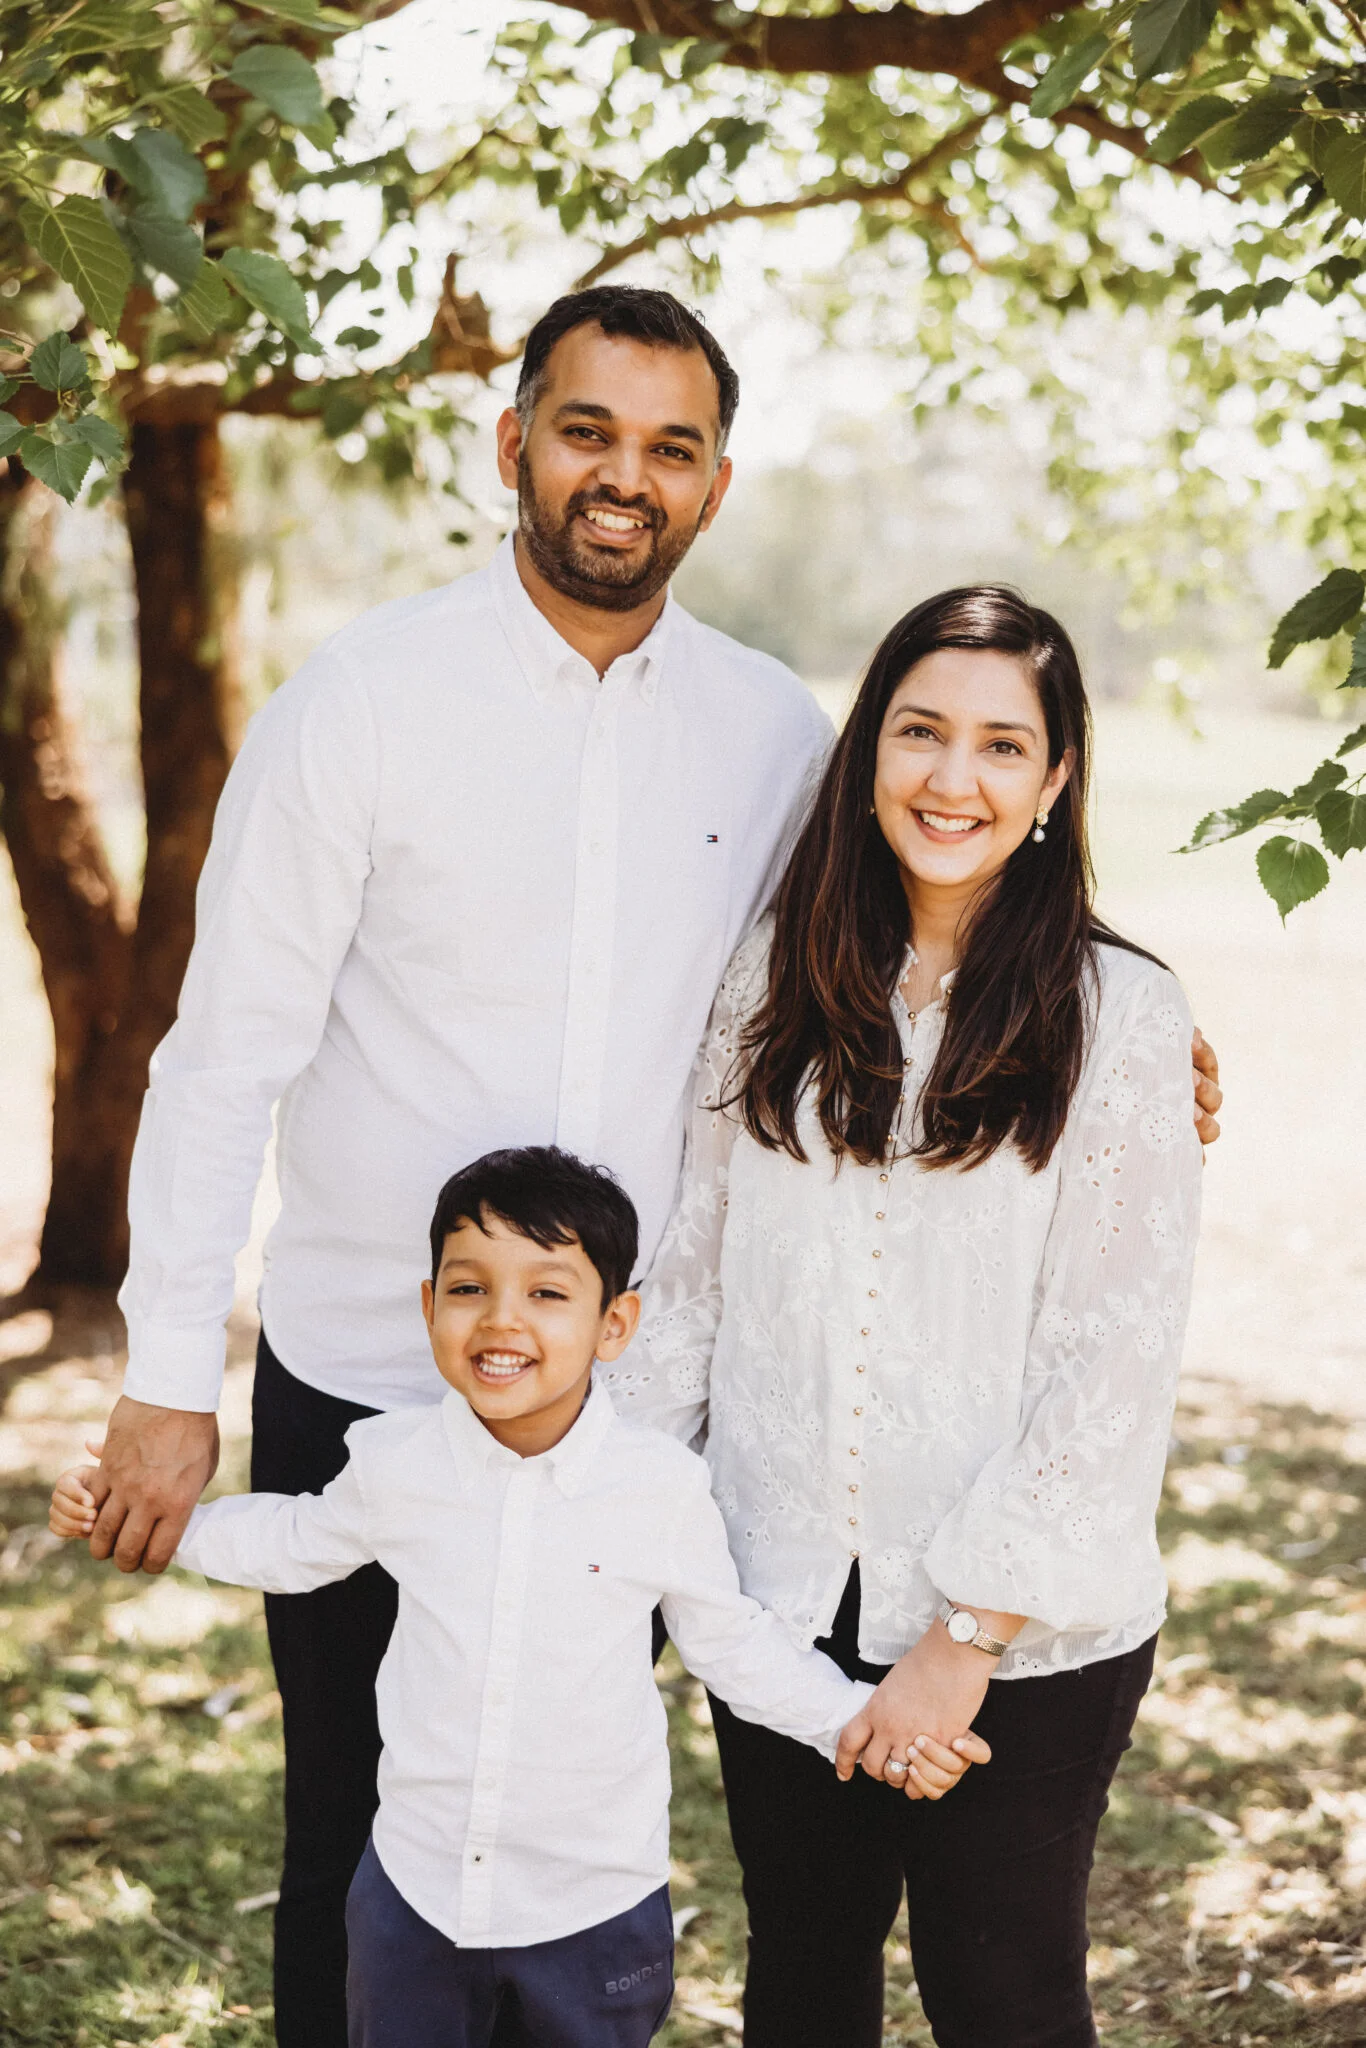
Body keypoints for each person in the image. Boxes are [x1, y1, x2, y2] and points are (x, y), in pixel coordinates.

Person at [80, 283, 1223, 2044]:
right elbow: (225, 1055)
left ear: (715, 484)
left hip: (627, 1415)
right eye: (588, 430)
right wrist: (168, 1375)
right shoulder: (361, 703)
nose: (626, 476)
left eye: (669, 447)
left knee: (566, 1841)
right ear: (513, 438)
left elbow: (929, 904)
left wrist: (1131, 1029)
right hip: (380, 1379)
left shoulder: (773, 732)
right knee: (357, 1845)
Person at [610, 587, 1207, 2048]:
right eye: (921, 732)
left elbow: (1111, 1360)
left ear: (1056, 780)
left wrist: (962, 1634)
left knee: (999, 2000)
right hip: (779, 1601)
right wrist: (615, 1530)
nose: (954, 779)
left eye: (1003, 747)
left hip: (1020, 1636)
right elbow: (692, 1276)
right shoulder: (774, 974)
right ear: (866, 748)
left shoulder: (1116, 1014)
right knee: (803, 1985)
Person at [51, 1148, 980, 2048]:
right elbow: (295, 1543)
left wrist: (862, 1722)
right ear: (428, 1307)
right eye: (468, 1288)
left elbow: (731, 1644)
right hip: (414, 1894)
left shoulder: (657, 1488)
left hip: (593, 1908)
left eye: (546, 1292)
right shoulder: (395, 1462)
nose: (501, 1320)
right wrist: (147, 1523)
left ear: (614, 1325)